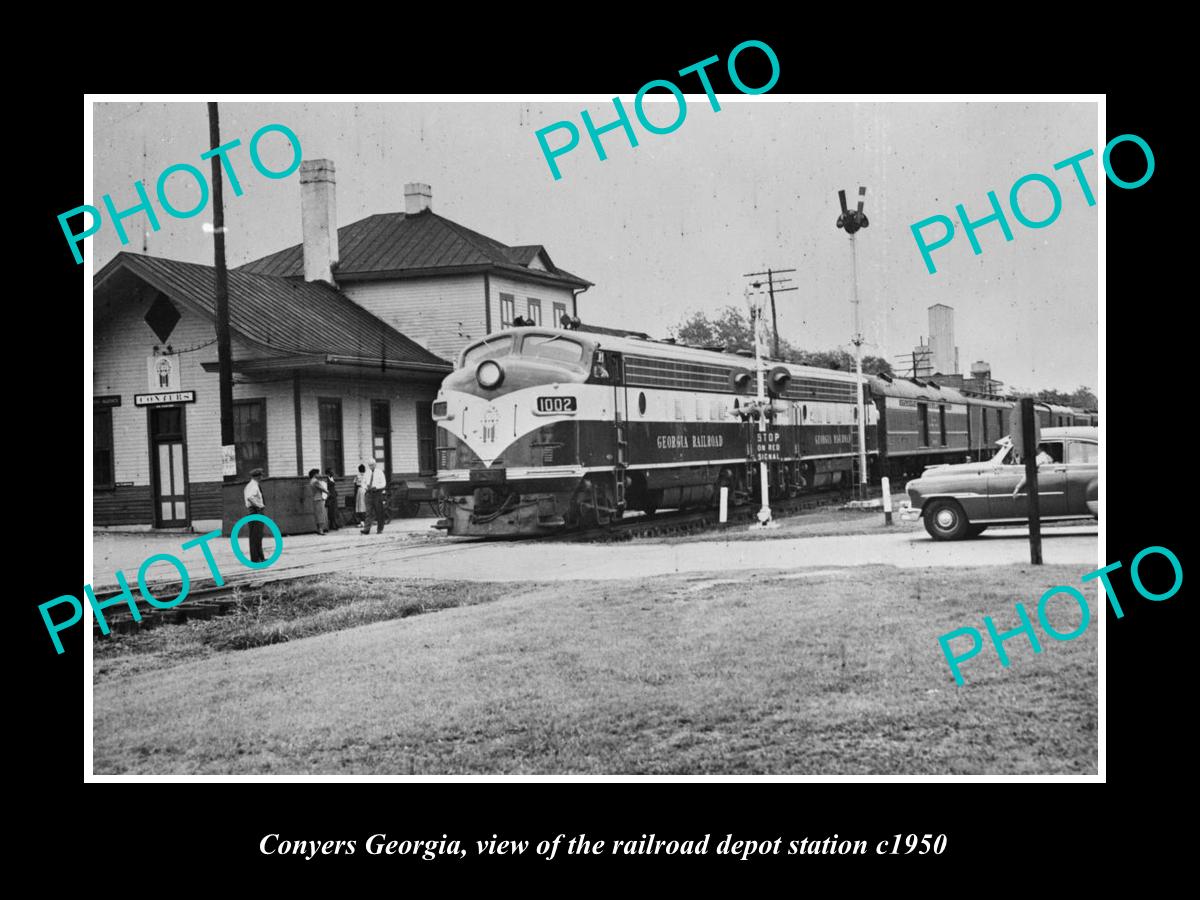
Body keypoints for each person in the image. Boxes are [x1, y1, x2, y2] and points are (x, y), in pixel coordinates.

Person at [243, 467, 267, 562]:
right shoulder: (253, 486)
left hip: (255, 511)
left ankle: (260, 557)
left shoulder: (253, 485)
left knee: (258, 535)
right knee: (255, 535)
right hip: (255, 511)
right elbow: (250, 497)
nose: (262, 477)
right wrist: (259, 506)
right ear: (257, 476)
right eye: (261, 475)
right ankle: (256, 558)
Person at [362, 458, 388, 535]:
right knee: (368, 512)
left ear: (375, 464)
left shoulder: (380, 472)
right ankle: (366, 529)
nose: (371, 467)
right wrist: (365, 487)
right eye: (370, 465)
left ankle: (380, 529)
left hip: (377, 493)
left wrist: (376, 487)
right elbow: (363, 483)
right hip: (369, 493)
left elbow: (383, 483)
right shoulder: (366, 473)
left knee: (379, 511)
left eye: (372, 465)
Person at [308, 468, 328, 535]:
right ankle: (321, 530)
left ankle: (318, 529)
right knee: (321, 514)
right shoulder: (316, 481)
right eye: (318, 473)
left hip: (314, 498)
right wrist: (328, 492)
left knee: (317, 514)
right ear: (315, 474)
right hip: (319, 498)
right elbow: (322, 488)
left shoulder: (311, 481)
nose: (319, 474)